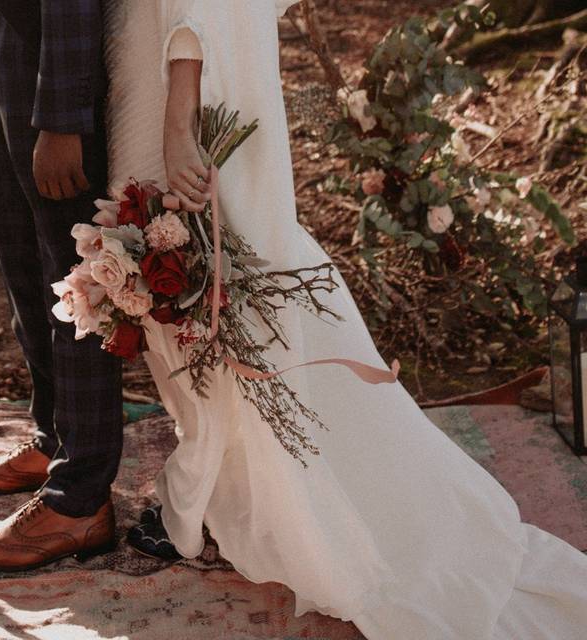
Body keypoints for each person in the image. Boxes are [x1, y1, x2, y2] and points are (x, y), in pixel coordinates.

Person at [104, 1, 587, 638]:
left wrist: (177, 121)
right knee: (212, 296)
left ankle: (207, 505)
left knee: (206, 297)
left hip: (190, 96)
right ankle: (215, 495)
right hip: (204, 74)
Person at [0, 0, 124, 572]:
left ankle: (79, 500)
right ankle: (53, 439)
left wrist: (63, 118)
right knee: (22, 263)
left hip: (44, 67)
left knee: (74, 285)